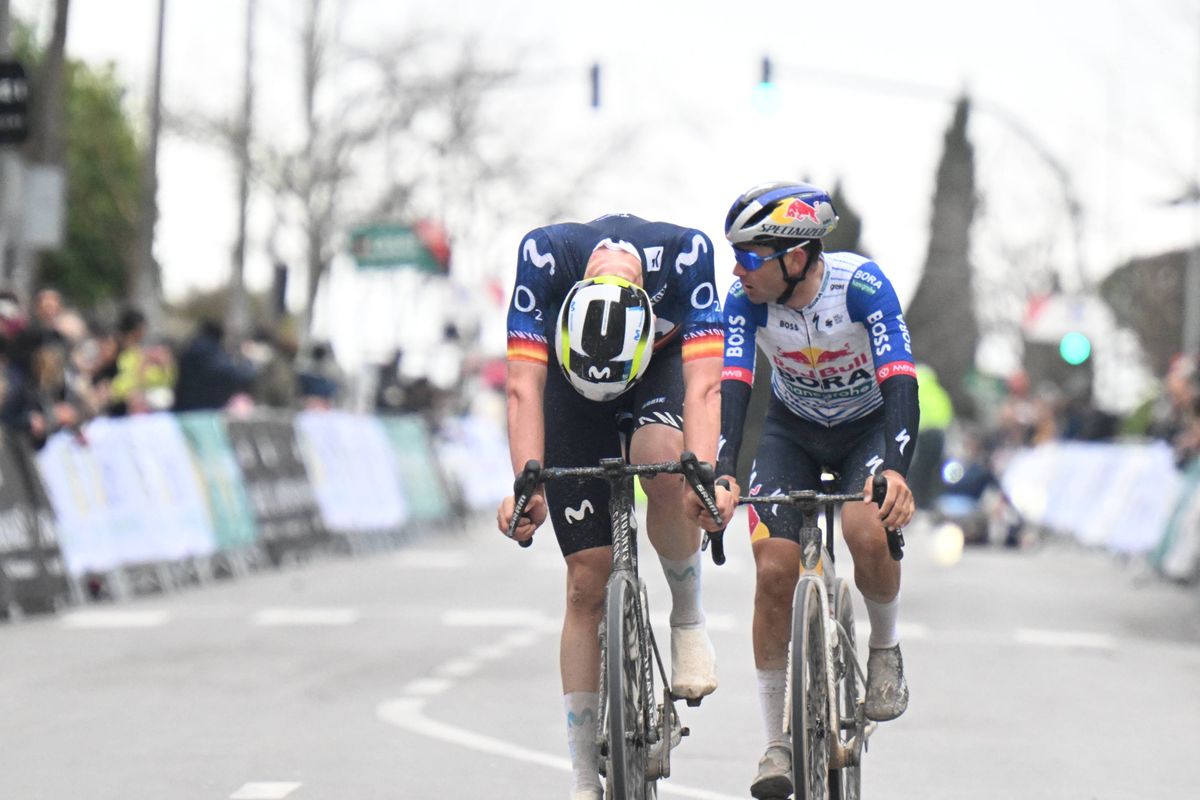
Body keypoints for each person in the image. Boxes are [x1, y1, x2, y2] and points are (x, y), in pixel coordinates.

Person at [689, 182, 919, 799]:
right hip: (792, 432)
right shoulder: (745, 302)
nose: (737, 270)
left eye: (749, 256)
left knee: (865, 529)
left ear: (795, 257)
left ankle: (885, 646)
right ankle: (777, 743)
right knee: (772, 570)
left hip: (867, 430)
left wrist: (896, 469)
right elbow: (735, 384)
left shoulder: (861, 286)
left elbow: (901, 378)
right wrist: (725, 471)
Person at [495, 214, 725, 800]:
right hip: (571, 387)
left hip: (659, 371)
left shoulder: (686, 255)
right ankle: (582, 780)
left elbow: (704, 385)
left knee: (663, 461)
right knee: (585, 583)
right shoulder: (543, 258)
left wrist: (701, 479)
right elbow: (523, 387)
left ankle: (687, 618)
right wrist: (527, 485)